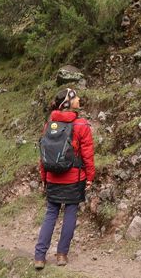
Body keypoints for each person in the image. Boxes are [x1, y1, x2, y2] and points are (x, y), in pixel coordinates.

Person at [34, 88, 95, 270]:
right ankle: (61, 255)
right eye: (75, 97)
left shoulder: (49, 125)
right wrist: (90, 176)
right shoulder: (81, 125)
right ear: (67, 103)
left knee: (51, 214)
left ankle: (39, 256)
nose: (78, 99)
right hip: (74, 178)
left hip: (53, 177)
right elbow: (87, 155)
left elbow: (43, 155)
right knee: (70, 214)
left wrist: (43, 176)